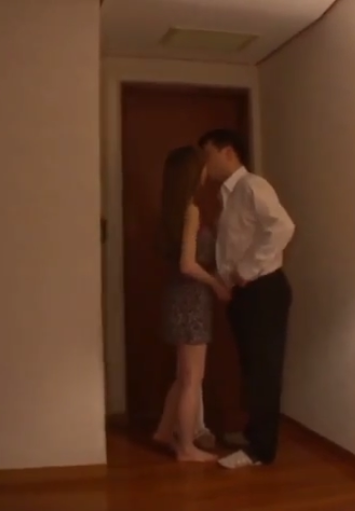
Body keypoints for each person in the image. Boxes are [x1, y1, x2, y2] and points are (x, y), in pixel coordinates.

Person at [198, 129, 295, 469]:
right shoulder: (228, 195)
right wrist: (226, 280)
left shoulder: (252, 185)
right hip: (245, 292)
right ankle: (255, 435)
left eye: (208, 154)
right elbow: (234, 244)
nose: (205, 163)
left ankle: (261, 451)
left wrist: (246, 270)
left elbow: (282, 227)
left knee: (264, 370)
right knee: (252, 368)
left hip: (264, 290)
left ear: (228, 152)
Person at [151, 145, 231, 462]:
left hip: (177, 297)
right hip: (191, 299)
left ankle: (164, 431)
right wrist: (216, 284)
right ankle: (185, 446)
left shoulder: (172, 210)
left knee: (183, 375)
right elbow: (187, 264)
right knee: (192, 378)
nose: (206, 170)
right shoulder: (191, 210)